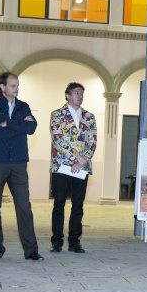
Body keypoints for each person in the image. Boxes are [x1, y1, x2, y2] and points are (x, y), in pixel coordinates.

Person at [0, 72, 43, 261]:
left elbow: (31, 128)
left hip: (18, 163)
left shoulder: (24, 106)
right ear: (2, 87)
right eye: (13, 85)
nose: (17, 89)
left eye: (17, 85)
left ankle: (31, 249)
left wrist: (7, 123)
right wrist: (17, 125)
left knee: (24, 206)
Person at [49, 82, 97, 254]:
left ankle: (74, 241)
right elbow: (58, 139)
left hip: (82, 166)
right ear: (68, 95)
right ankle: (57, 241)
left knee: (78, 205)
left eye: (82, 93)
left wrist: (84, 159)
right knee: (59, 203)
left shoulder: (89, 116)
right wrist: (75, 157)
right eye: (77, 92)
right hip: (61, 166)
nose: (80, 96)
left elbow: (93, 141)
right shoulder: (57, 115)